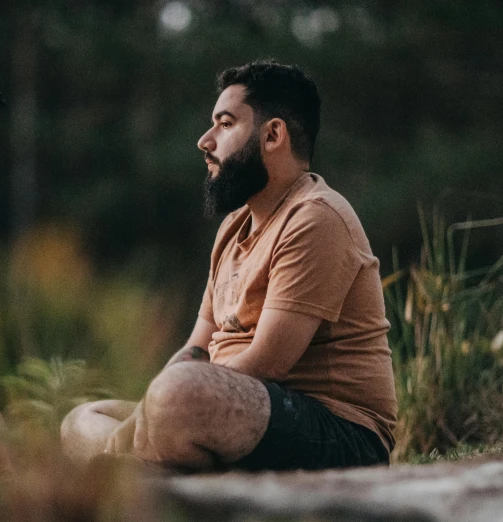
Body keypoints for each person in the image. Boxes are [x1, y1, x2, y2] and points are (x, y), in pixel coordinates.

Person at [60, 60, 397, 471]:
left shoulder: (316, 217)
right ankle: (147, 466)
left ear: (273, 134)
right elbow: (196, 348)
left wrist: (155, 406)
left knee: (178, 394)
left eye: (224, 124)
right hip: (232, 405)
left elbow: (267, 363)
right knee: (81, 419)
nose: (205, 141)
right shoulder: (232, 228)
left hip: (337, 429)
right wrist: (149, 408)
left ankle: (130, 466)